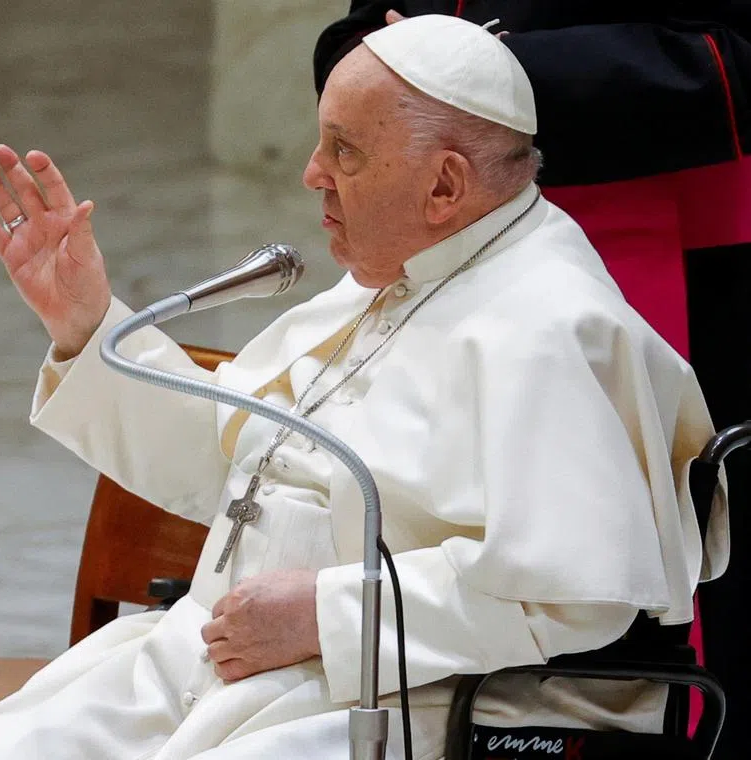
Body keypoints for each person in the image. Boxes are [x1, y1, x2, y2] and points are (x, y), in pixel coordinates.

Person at [0, 15, 727, 760]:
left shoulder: (553, 326)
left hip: (414, 695)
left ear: (445, 187)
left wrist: (325, 616)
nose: (310, 173)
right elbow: (233, 470)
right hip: (227, 657)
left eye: (343, 151)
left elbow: (572, 596)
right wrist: (85, 322)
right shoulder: (395, 277)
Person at [316, 8, 750, 750]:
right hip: (434, 232)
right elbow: (357, 34)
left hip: (659, 237)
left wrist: (473, 73)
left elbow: (727, 58)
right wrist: (387, 73)